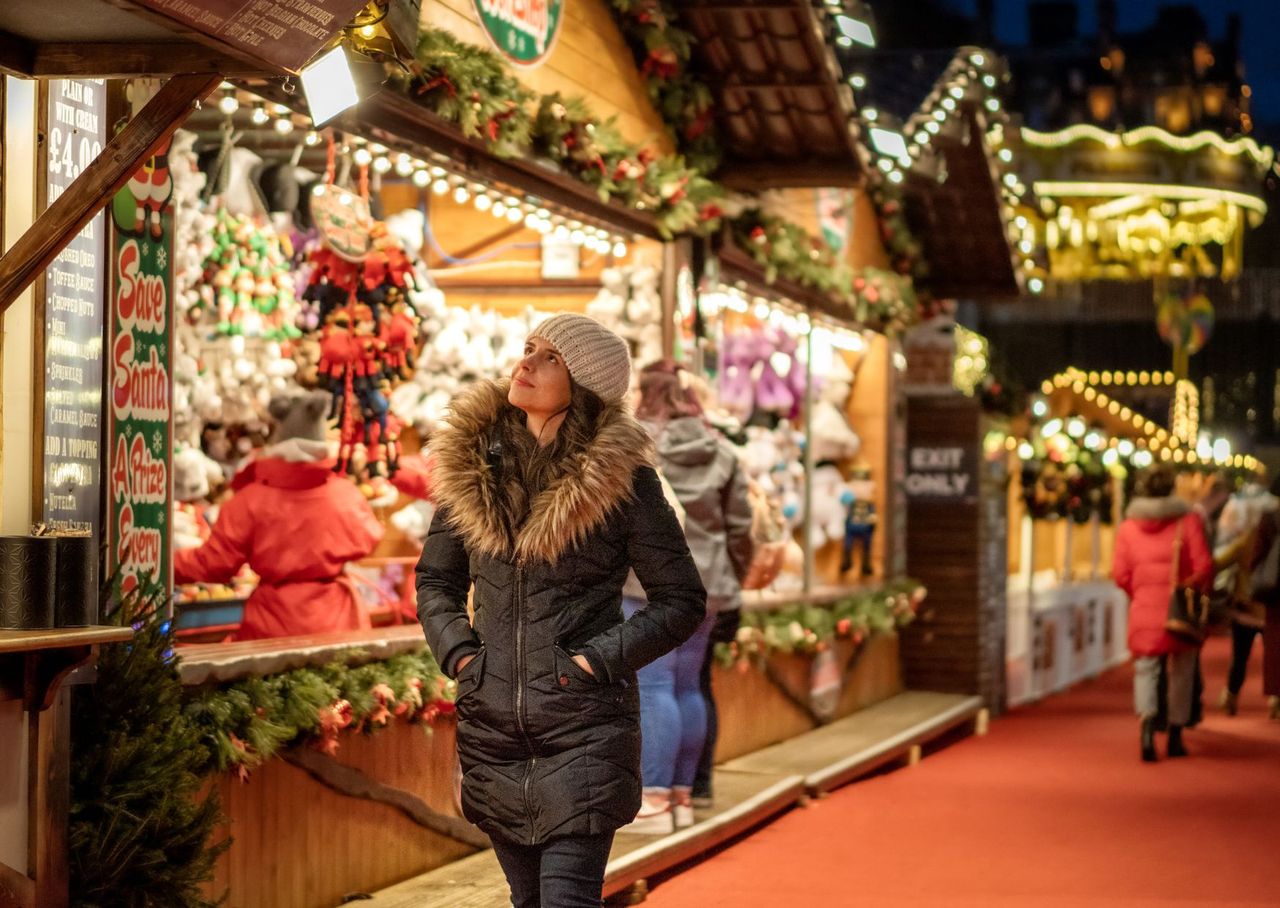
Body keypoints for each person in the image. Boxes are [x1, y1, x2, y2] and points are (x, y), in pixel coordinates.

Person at [416, 314, 706, 908]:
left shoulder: (623, 481)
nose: (526, 363)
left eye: (550, 357)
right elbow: (436, 579)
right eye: (528, 349)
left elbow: (681, 600)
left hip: (584, 726)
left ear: (586, 385)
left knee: (566, 901)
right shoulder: (473, 472)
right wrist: (464, 657)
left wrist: (595, 662)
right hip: (493, 730)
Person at [619, 360, 754, 834]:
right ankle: (680, 796)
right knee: (687, 685)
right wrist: (731, 578)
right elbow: (740, 529)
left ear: (646, 394)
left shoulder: (634, 446)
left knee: (653, 686)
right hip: (709, 584)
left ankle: (652, 801)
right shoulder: (722, 450)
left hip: (647, 584)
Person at [175, 390, 384, 640]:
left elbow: (213, 564)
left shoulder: (250, 501)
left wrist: (163, 564)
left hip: (274, 626)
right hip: (341, 624)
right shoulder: (346, 494)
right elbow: (370, 538)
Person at [1112, 466, 1212, 762]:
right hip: (1178, 609)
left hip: (1144, 609)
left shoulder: (1128, 527)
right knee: (1182, 671)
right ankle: (1176, 735)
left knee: (1146, 670)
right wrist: (1188, 588)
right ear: (1171, 490)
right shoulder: (1187, 520)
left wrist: (1139, 592)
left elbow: (1119, 574)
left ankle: (1146, 728)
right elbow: (1204, 566)